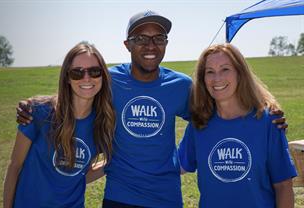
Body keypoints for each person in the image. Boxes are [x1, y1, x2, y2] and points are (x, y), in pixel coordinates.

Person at [16, 11, 287, 207]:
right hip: (119, 195)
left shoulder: (180, 86)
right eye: (141, 39)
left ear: (166, 44)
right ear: (127, 45)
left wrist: (266, 111)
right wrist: (34, 105)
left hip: (165, 196)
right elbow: (80, 88)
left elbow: (220, 103)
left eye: (159, 38)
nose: (150, 46)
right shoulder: (110, 80)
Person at [178, 43, 297, 208]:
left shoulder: (268, 122)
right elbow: (177, 166)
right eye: (210, 72)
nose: (217, 78)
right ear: (203, 79)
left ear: (240, 74)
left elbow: (283, 186)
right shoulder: (199, 123)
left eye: (225, 69)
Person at [3, 42, 115, 208]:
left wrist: (113, 165)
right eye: (77, 72)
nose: (87, 78)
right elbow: (15, 166)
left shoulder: (101, 123)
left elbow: (81, 174)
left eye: (94, 71)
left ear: (103, 76)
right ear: (67, 78)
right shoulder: (39, 113)